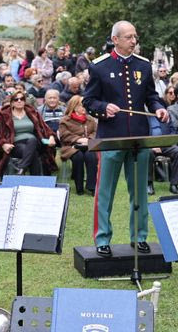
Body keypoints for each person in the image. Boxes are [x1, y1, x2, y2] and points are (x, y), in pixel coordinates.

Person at [82, 21, 168, 257]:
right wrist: (103, 108)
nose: (133, 41)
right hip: (110, 139)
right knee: (104, 192)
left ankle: (139, 236)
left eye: (135, 37)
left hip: (139, 139)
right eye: (129, 37)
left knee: (139, 192)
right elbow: (88, 101)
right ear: (115, 39)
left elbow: (151, 96)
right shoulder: (99, 67)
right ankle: (102, 239)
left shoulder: (143, 65)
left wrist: (158, 107)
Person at [0, 91, 57, 177]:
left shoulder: (33, 113)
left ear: (25, 101)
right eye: (16, 99)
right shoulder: (4, 116)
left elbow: (45, 128)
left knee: (32, 140)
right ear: (12, 102)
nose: (19, 101)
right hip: (15, 145)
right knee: (33, 154)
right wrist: (3, 144)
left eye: (22, 99)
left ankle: (22, 168)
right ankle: (36, 183)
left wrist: (51, 137)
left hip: (36, 142)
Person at [58, 95, 98, 195]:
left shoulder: (90, 119)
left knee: (91, 156)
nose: (85, 108)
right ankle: (79, 187)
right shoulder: (65, 120)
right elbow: (63, 135)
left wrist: (88, 139)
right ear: (74, 107)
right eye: (82, 106)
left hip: (88, 145)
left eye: (85, 106)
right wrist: (78, 139)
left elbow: (96, 132)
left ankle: (91, 187)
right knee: (78, 157)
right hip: (70, 147)